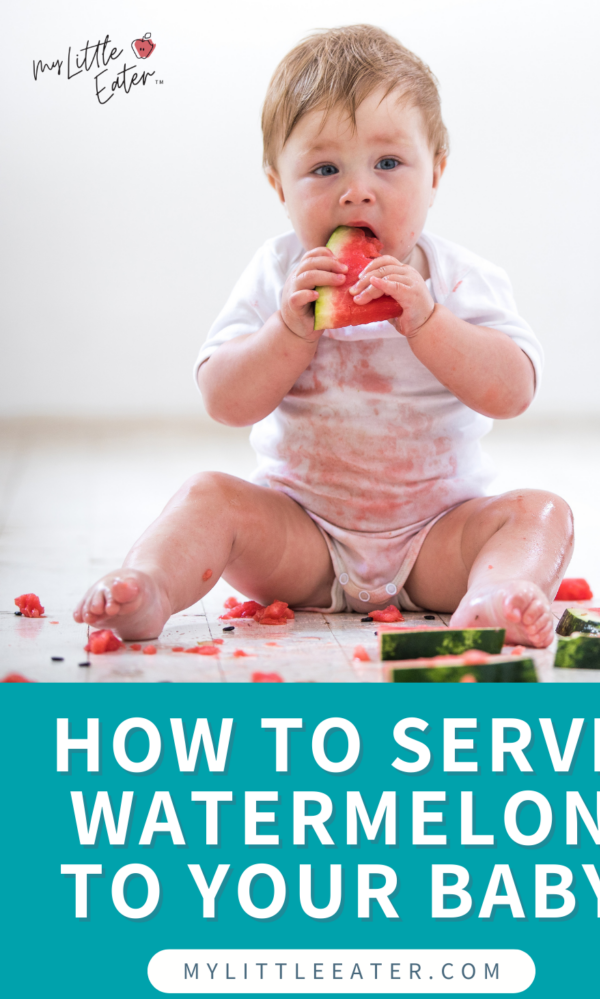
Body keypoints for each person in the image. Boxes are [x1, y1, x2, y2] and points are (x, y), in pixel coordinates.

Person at [74, 24, 574, 648]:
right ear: (280, 187)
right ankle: (149, 586)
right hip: (301, 539)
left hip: (439, 538)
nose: (357, 189)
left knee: (541, 513)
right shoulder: (278, 275)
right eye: (324, 167)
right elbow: (224, 402)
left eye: (389, 163)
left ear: (436, 173)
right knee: (207, 496)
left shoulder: (463, 279)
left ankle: (488, 597)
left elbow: (513, 391)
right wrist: (287, 330)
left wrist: (428, 324)